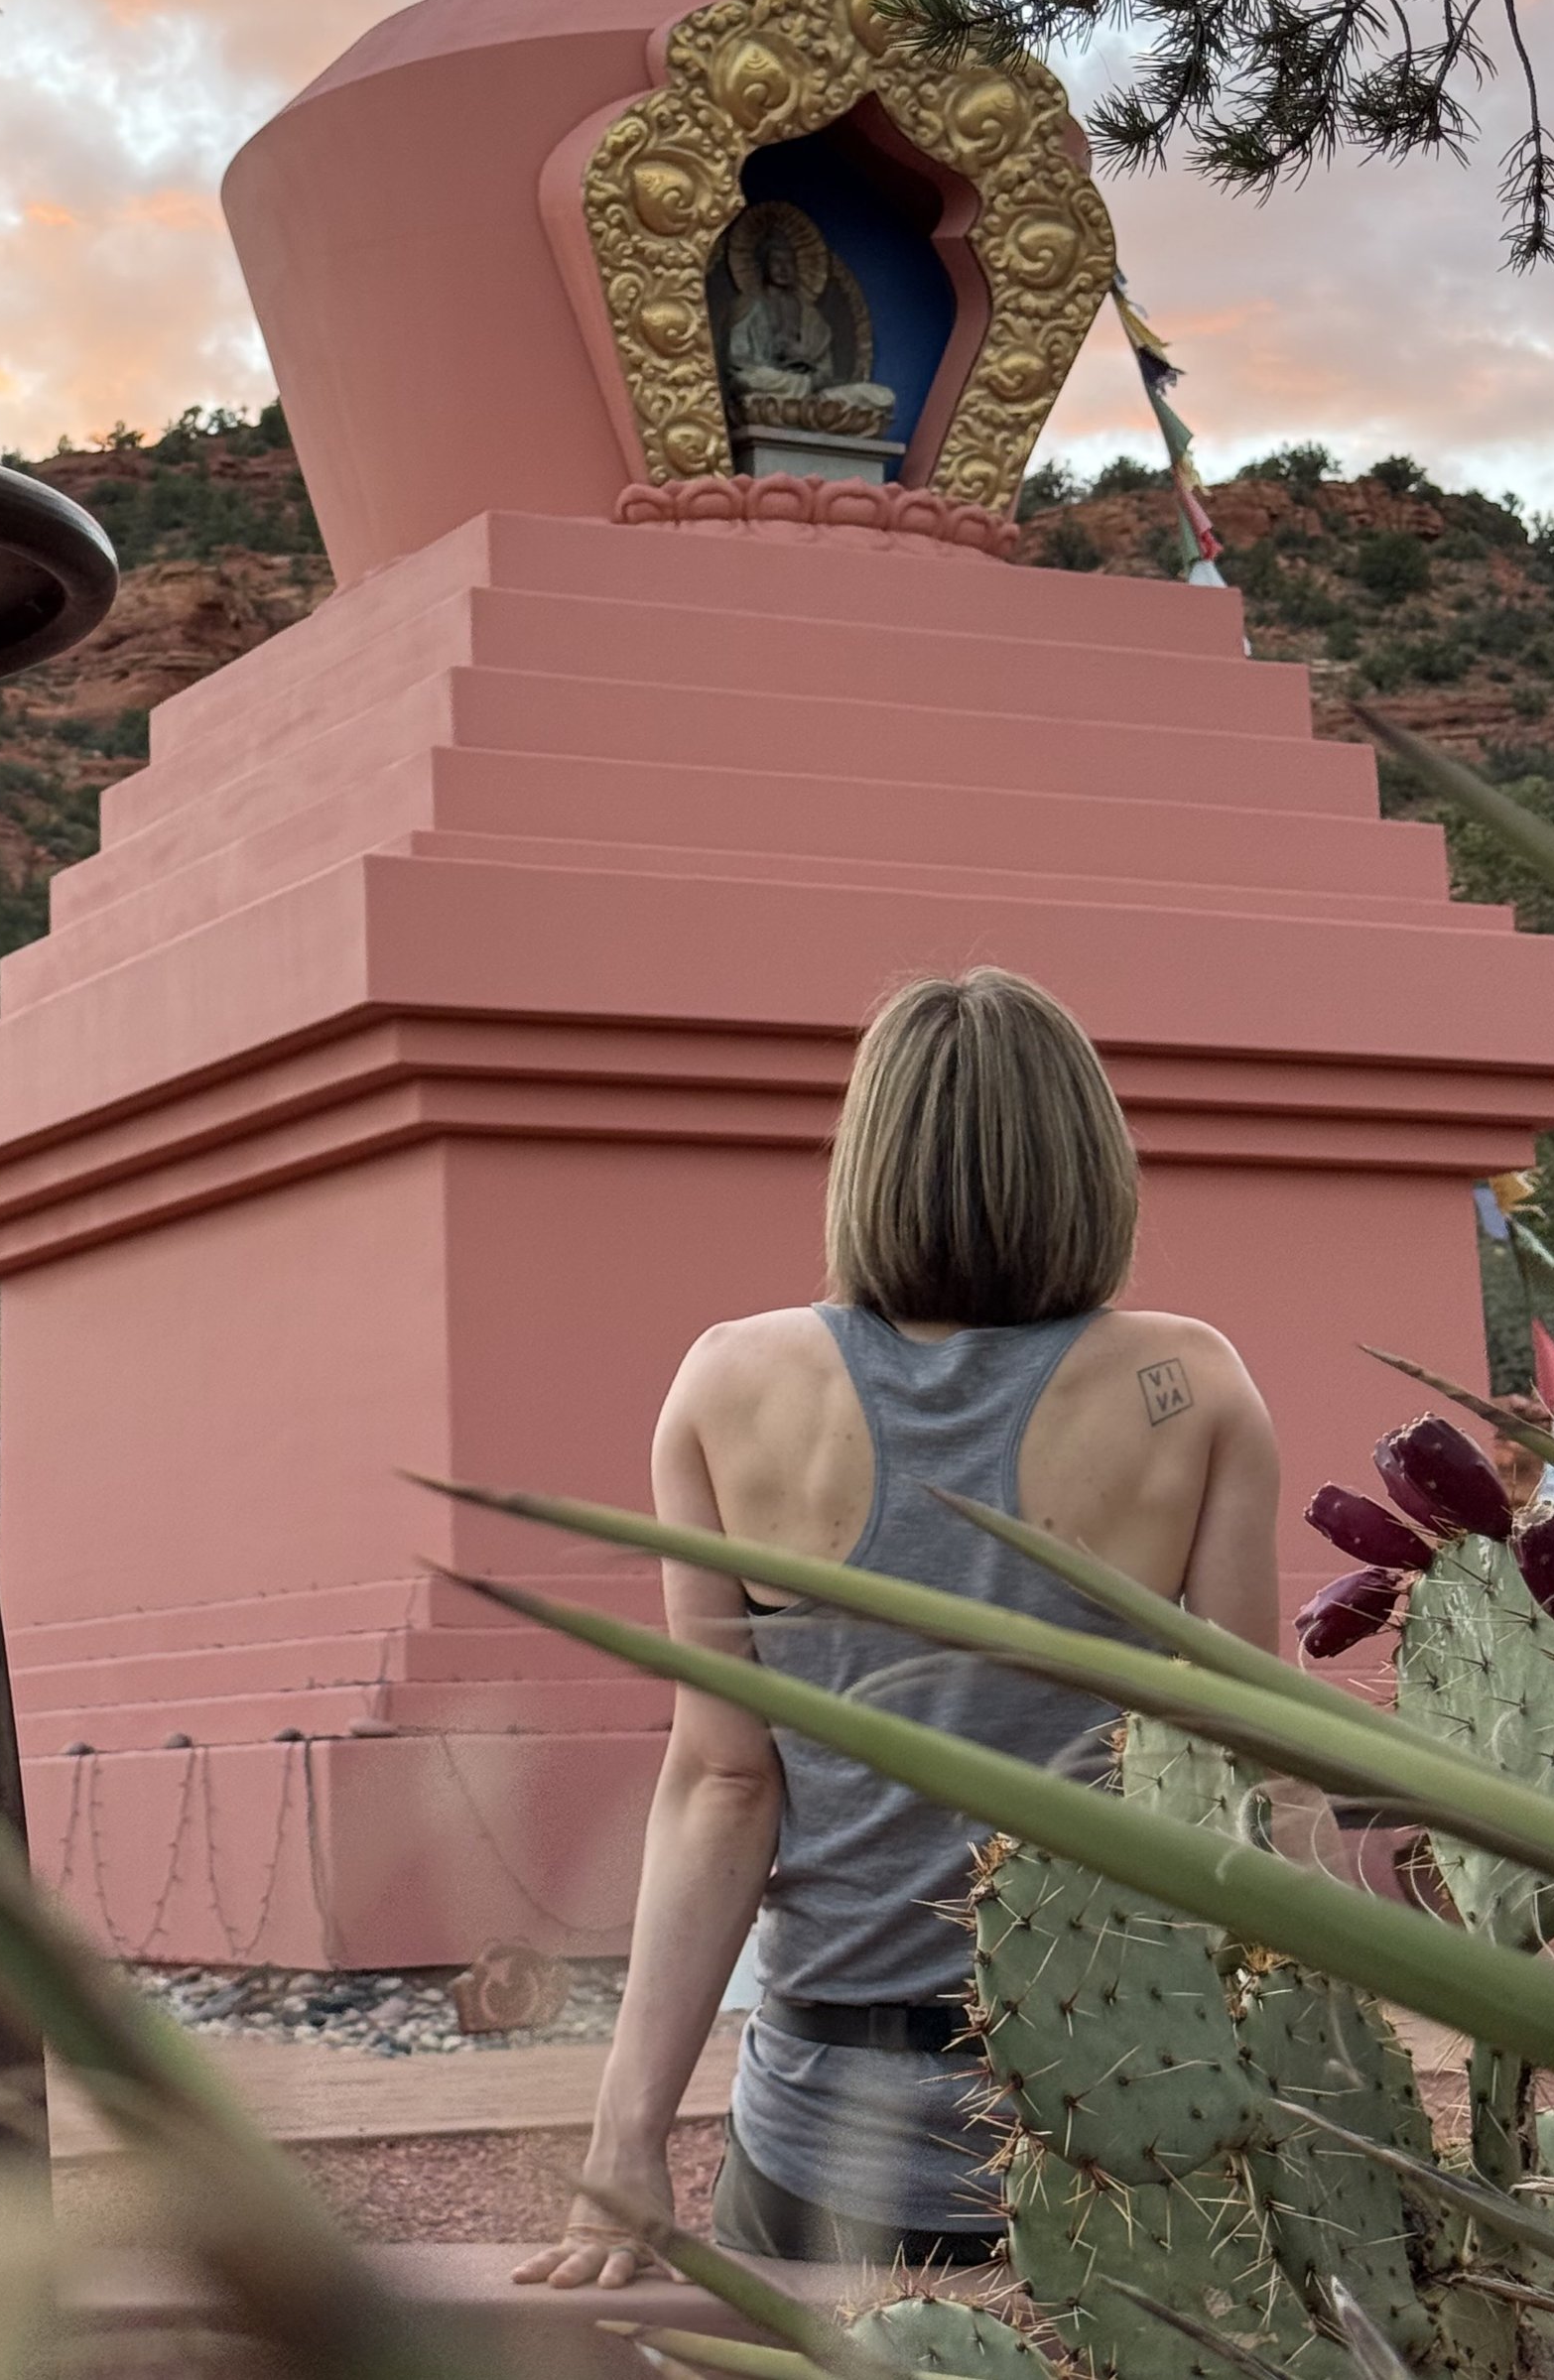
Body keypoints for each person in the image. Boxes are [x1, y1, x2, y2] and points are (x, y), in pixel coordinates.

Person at [513, 965, 1280, 2287]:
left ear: (866, 1160)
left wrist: (625, 2138)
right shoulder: (1191, 1388)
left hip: (823, 2139)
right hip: (1125, 2122)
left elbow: (720, 1782)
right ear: (1087, 1159)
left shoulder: (728, 1383)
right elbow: (1241, 1777)